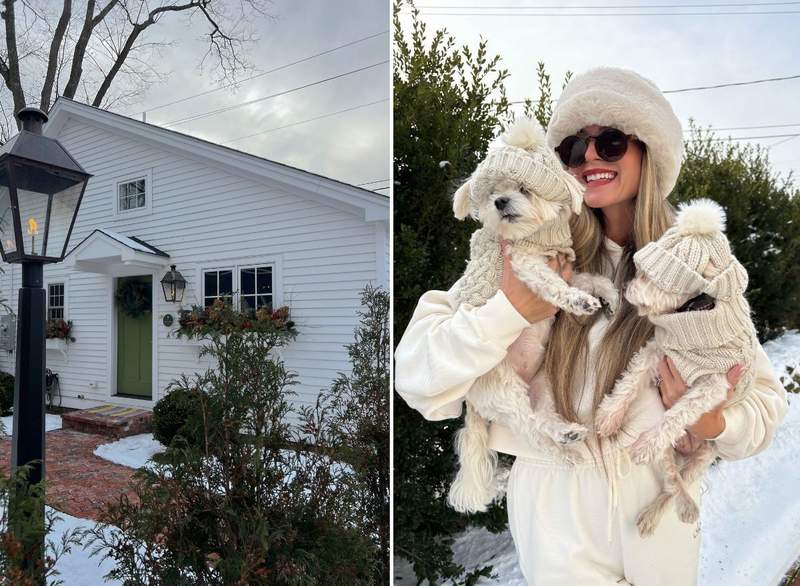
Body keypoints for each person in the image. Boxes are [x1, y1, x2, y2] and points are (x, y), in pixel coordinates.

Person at [394, 66, 788, 585]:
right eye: (573, 149)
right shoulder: (525, 249)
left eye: (611, 141)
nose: (591, 159)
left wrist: (713, 424)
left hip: (654, 497)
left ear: (649, 152)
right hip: (554, 501)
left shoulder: (695, 261)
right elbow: (417, 378)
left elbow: (763, 400)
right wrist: (510, 310)